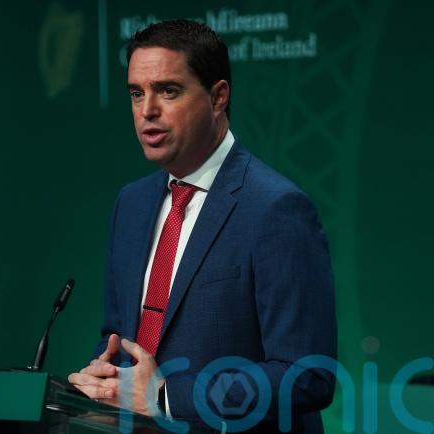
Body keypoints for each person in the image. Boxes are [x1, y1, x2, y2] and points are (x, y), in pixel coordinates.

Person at [68, 20, 336, 433]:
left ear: (218, 97)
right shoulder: (131, 204)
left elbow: (307, 375)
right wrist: (105, 378)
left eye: (168, 91)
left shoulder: (276, 208)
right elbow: (118, 336)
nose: (147, 111)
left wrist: (165, 396)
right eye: (136, 93)